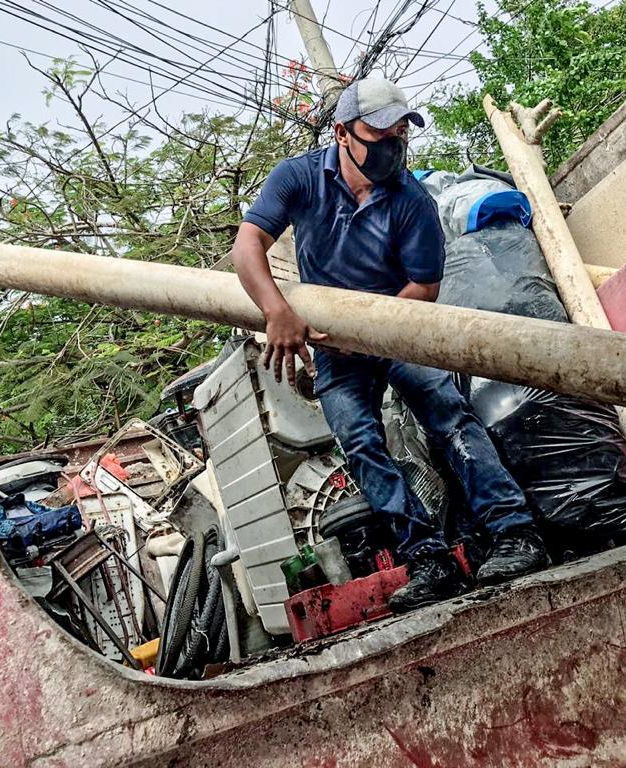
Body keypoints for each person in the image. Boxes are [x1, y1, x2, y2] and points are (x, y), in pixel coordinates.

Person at [231, 78, 549, 613]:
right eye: (378, 134)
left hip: (397, 327)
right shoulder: (300, 178)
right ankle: (428, 559)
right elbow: (248, 244)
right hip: (334, 350)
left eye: (400, 134)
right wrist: (277, 311)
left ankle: (517, 532)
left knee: (450, 418)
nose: (391, 146)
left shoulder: (411, 200)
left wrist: (371, 328)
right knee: (361, 446)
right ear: (341, 133)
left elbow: (424, 288)